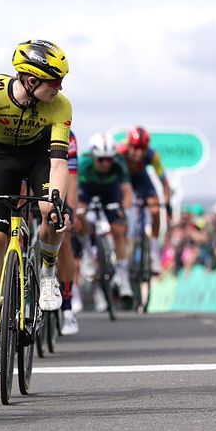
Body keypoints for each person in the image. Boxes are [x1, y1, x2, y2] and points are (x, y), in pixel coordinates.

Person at [0, 39, 72, 376]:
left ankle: (48, 272)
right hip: (3, 160)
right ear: (31, 80)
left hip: (40, 161)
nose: (61, 87)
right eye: (55, 80)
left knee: (50, 216)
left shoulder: (60, 105)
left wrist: (56, 201)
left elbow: (58, 164)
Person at [77, 132, 134, 309]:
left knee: (118, 229)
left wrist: (123, 209)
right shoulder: (83, 163)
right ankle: (87, 253)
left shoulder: (119, 162)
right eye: (101, 159)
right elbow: (74, 192)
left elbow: (127, 192)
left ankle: (124, 280)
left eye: (109, 159)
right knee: (79, 216)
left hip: (110, 191)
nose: (105, 163)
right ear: (93, 156)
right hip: (87, 189)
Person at [117, 126, 172, 270]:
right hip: (123, 179)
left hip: (141, 179)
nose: (138, 152)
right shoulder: (119, 151)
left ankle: (153, 252)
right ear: (128, 144)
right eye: (135, 147)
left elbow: (165, 184)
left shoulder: (152, 155)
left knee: (154, 209)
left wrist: (166, 203)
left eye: (142, 148)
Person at [59, 130, 82, 334]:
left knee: (64, 236)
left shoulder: (69, 136)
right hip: (28, 178)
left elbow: (72, 179)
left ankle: (67, 307)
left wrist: (71, 212)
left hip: (59, 182)